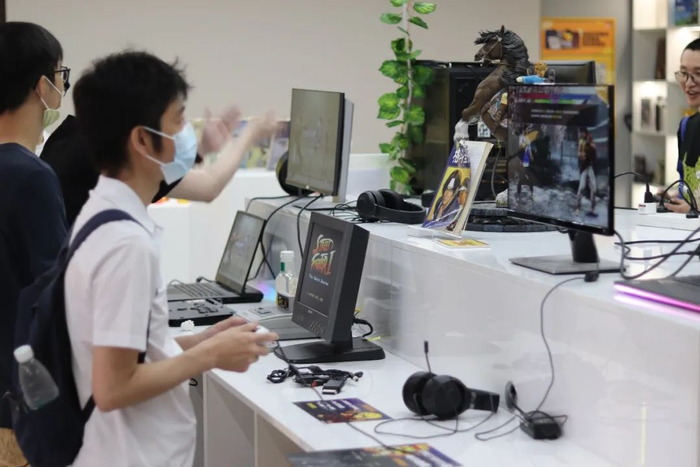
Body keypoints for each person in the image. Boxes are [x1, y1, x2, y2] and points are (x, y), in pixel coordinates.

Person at [65, 51, 278, 466]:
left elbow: (117, 352)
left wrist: (197, 341)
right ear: (142, 140)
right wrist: (210, 356)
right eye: (178, 121)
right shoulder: (125, 244)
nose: (186, 134)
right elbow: (113, 387)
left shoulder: (103, 215)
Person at [0, 22, 68, 466]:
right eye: (62, 74)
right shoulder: (31, 177)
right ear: (43, 86)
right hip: (19, 405)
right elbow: (55, 294)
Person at [42, 97, 274, 225]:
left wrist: (201, 149)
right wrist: (251, 133)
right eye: (176, 120)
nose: (181, 129)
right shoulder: (110, 161)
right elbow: (208, 186)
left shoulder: (71, 139)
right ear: (140, 135)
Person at [666, 38, 700, 213]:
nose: (688, 83)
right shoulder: (687, 126)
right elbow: (688, 187)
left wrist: (694, 208)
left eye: (698, 74)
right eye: (684, 73)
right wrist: (674, 199)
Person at [575, 128, 597, 215]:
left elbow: (594, 150)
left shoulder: (590, 140)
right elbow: (579, 154)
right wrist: (582, 154)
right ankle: (577, 207)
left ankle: (592, 208)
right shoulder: (581, 141)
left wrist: (589, 146)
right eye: (582, 133)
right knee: (581, 187)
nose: (582, 134)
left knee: (593, 188)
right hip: (584, 167)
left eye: (583, 133)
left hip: (590, 166)